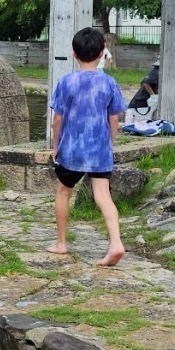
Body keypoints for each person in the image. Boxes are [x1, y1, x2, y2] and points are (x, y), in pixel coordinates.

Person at [48, 27, 127, 268]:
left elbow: (57, 119)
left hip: (71, 150)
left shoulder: (66, 82)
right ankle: (115, 242)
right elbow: (114, 119)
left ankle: (61, 243)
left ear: (74, 54)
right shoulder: (109, 83)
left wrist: (55, 146)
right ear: (102, 52)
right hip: (99, 149)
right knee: (103, 196)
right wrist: (109, 144)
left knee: (63, 191)